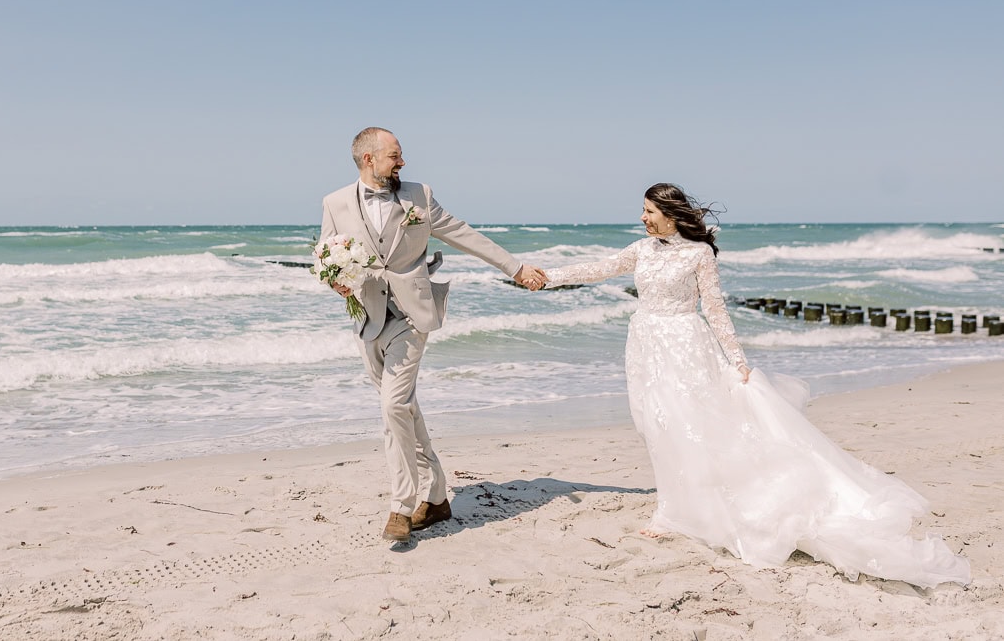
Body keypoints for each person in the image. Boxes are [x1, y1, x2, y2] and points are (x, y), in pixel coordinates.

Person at [538, 182, 970, 588]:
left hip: (686, 344)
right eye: (643, 210)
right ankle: (675, 506)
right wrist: (546, 277)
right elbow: (598, 268)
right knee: (655, 423)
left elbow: (715, 309)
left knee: (689, 425)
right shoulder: (641, 249)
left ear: (671, 215)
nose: (643, 217)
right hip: (645, 344)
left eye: (649, 211)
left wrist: (738, 360)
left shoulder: (699, 255)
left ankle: (672, 512)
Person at [320, 127, 547, 543]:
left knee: (392, 407)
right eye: (394, 155)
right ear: (369, 159)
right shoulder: (333, 203)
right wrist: (335, 280)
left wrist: (515, 268)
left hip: (413, 315)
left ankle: (401, 505)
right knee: (404, 410)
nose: (402, 162)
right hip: (368, 320)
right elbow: (326, 255)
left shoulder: (419, 197)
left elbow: (463, 233)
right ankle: (438, 497)